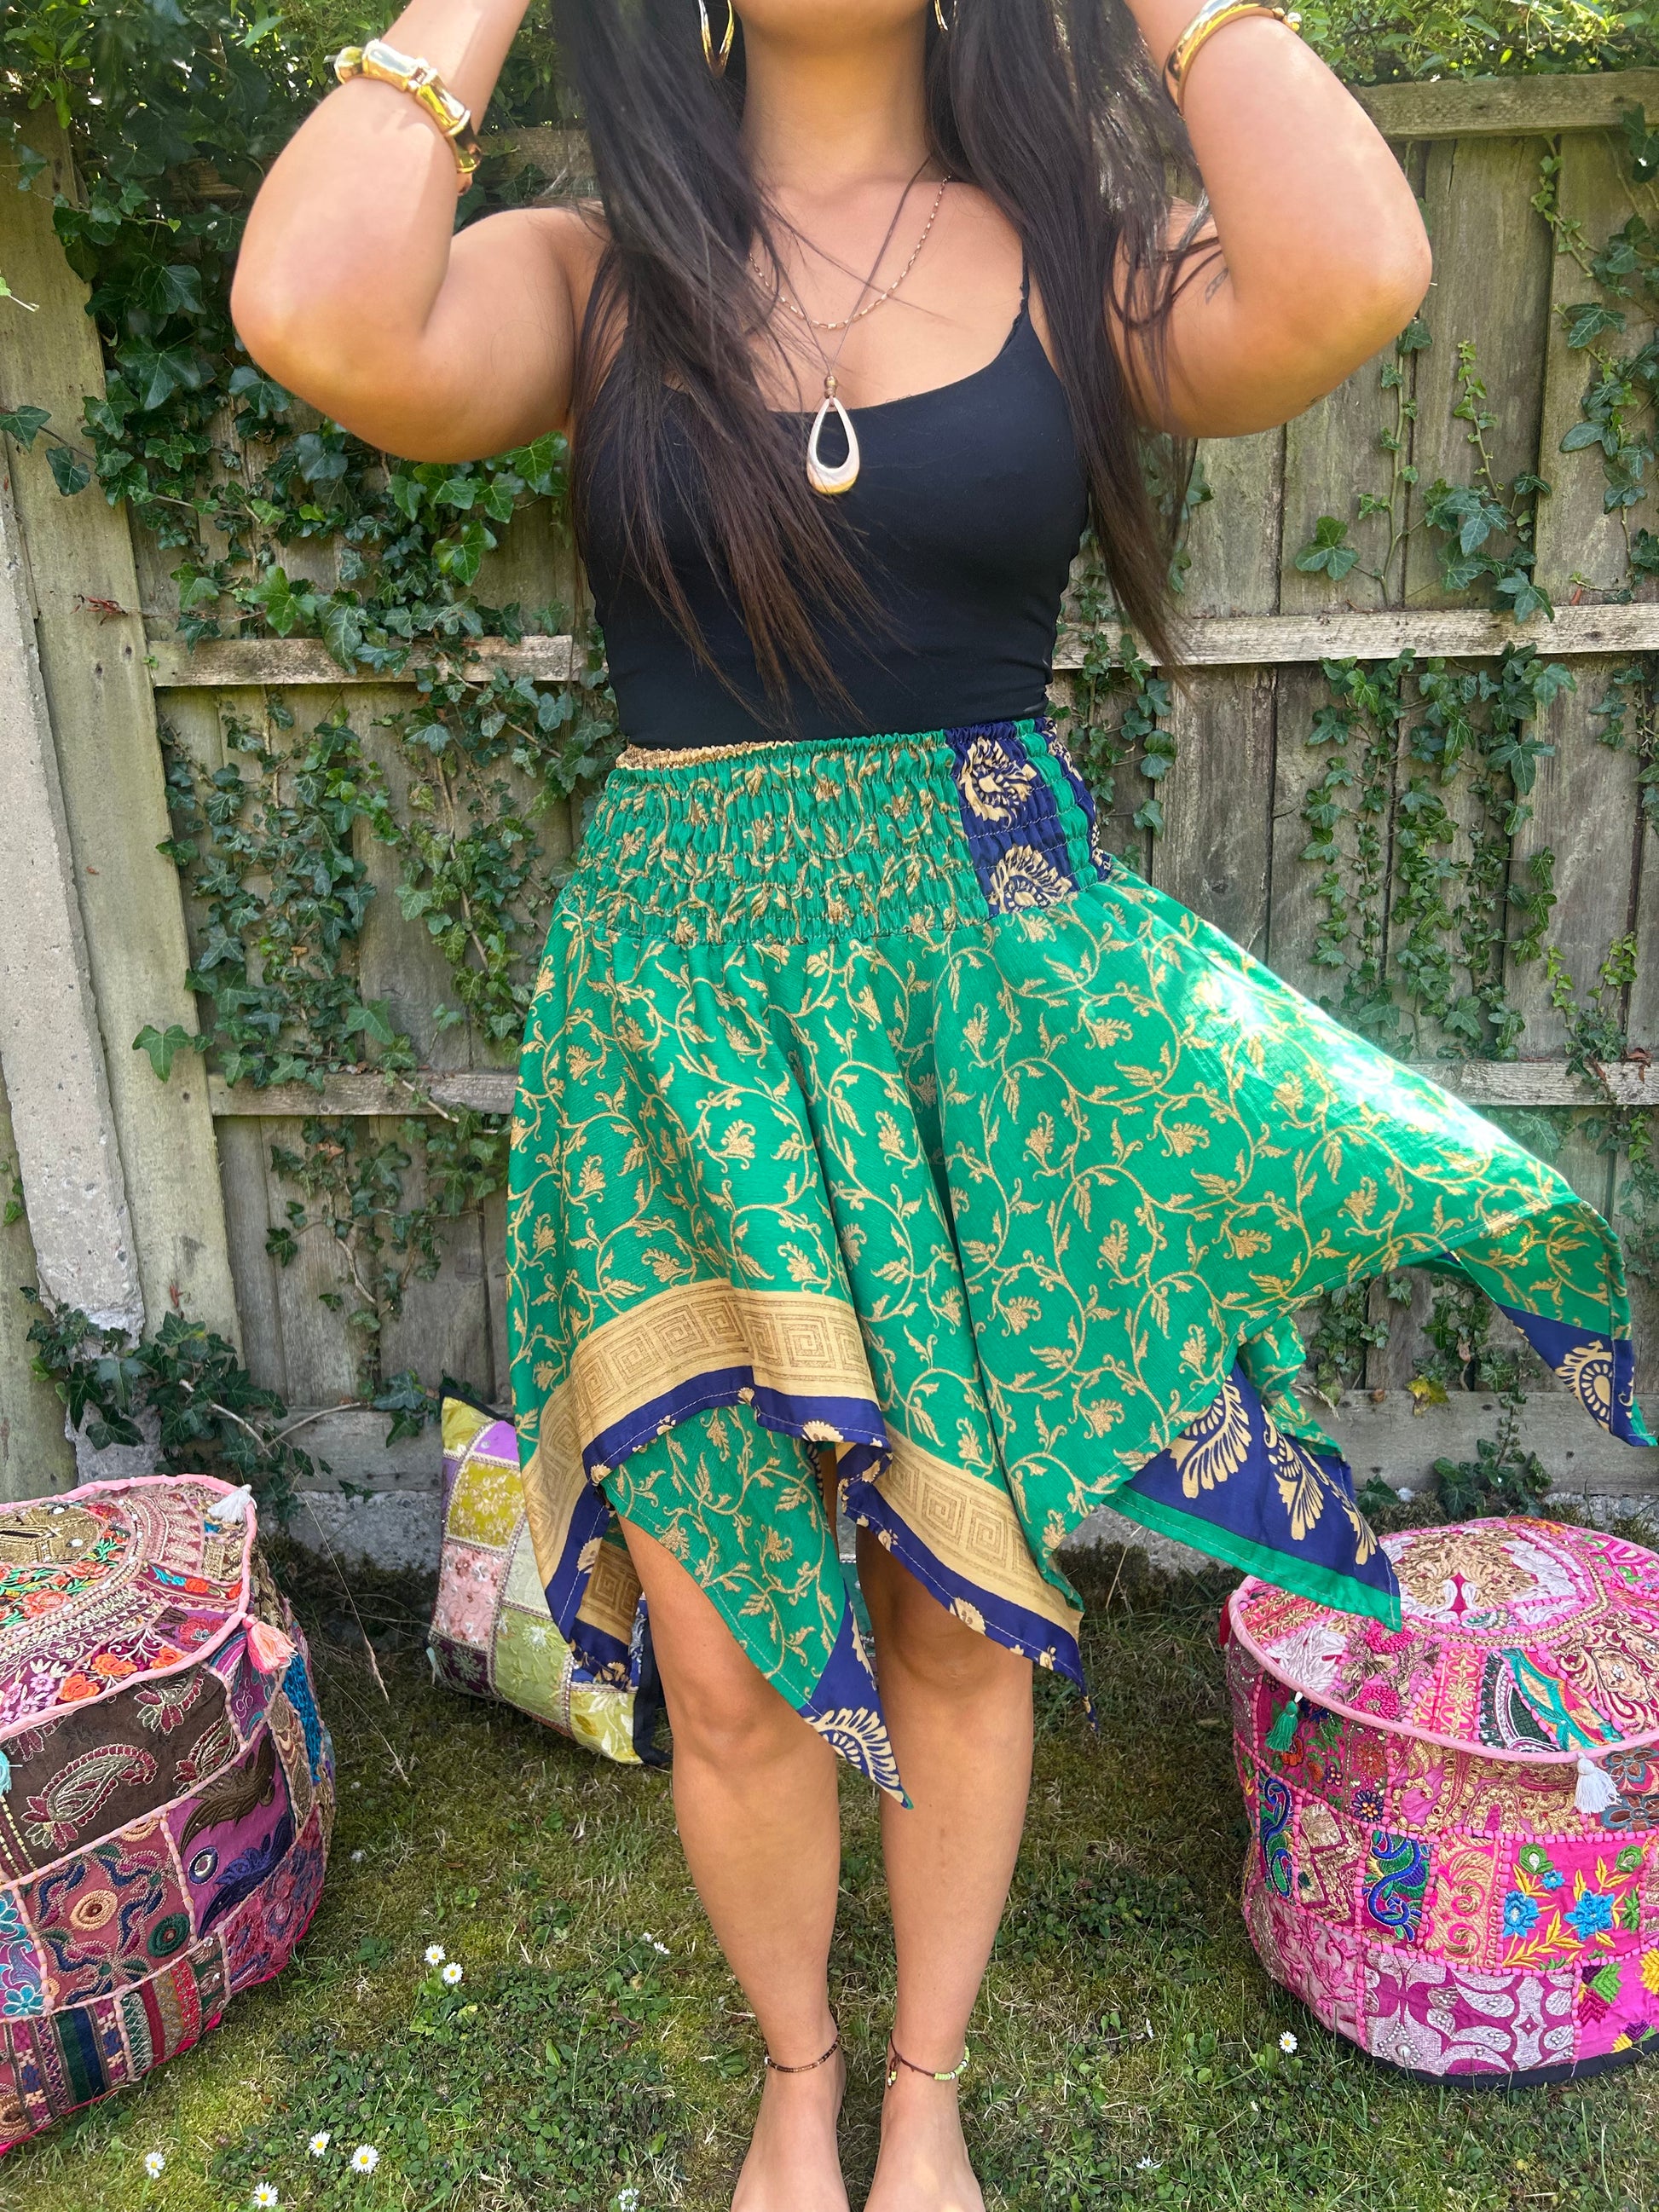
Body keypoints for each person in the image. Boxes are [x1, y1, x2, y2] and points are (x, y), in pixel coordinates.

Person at [234, 9, 1650, 2209]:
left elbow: (1355, 267)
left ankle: (921, 2092)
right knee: (724, 1659)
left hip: (978, 1053)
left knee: (954, 1608)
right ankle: (797, 2080)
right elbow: (319, 306)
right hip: (675, 1050)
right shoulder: (599, 274)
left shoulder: (1076, 262)